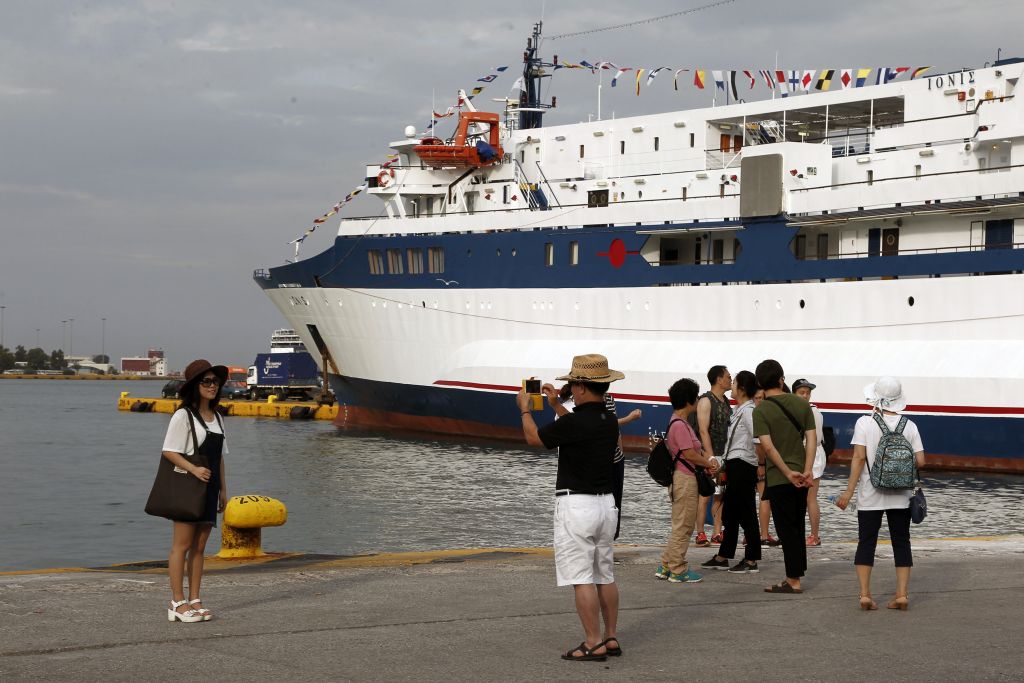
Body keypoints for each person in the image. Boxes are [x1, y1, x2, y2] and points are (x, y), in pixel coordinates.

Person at [518, 354, 624, 662]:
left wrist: (525, 410)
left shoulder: (577, 422)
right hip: (606, 505)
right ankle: (610, 637)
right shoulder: (607, 419)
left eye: (573, 384)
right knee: (604, 574)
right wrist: (554, 404)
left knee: (581, 577)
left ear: (579, 387)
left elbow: (534, 438)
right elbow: (575, 426)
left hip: (577, 505)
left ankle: (592, 642)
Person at [836, 377, 925, 611]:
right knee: (901, 542)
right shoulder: (910, 425)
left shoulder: (865, 423)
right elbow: (921, 461)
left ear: (876, 398)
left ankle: (865, 595)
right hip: (902, 495)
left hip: (870, 493)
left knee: (867, 542)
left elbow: (858, 458)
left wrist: (848, 491)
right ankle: (902, 595)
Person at [161, 359, 229, 622]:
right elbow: (168, 451)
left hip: (210, 487)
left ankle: (196, 599)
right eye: (207, 381)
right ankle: (177, 602)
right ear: (194, 386)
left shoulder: (219, 418)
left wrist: (223, 490)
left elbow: (220, 458)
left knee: (200, 547)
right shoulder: (183, 415)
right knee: (182, 545)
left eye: (215, 381)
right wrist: (193, 469)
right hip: (190, 487)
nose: (213, 386)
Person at [752, 359, 816, 594]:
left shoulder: (761, 411)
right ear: (782, 379)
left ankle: (793, 580)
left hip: (780, 477)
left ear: (760, 382)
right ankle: (797, 572)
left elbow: (768, 448)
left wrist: (787, 472)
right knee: (798, 525)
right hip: (803, 475)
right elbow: (811, 438)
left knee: (786, 528)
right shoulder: (801, 404)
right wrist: (807, 469)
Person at [551, 385, 641, 540]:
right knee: (609, 502)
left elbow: (609, 427)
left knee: (607, 503)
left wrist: (621, 453)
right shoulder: (576, 405)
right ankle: (606, 538)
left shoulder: (604, 400)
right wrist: (630, 419)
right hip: (602, 459)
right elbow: (602, 425)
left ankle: (606, 537)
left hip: (605, 458)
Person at [656, 378, 720, 584]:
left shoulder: (677, 422)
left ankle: (666, 564)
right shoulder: (680, 425)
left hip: (681, 477)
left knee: (679, 524)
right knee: (684, 526)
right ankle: (678, 569)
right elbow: (689, 454)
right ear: (690, 401)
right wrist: (709, 463)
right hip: (685, 479)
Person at [702, 370, 763, 573]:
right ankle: (724, 555)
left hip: (744, 463)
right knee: (731, 512)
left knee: (746, 511)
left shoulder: (748, 411)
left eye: (735, 382)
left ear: (742, 388)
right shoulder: (740, 410)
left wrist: (759, 464)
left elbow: (757, 438)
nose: (733, 385)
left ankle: (752, 558)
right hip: (735, 463)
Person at [690, 365, 732, 547]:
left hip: (724, 454)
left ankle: (717, 531)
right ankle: (700, 532)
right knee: (705, 495)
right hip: (709, 454)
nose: (731, 379)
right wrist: (709, 456)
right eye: (728, 377)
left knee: (721, 495)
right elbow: (703, 430)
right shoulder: (706, 401)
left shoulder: (725, 401)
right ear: (718, 379)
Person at [792, 379, 826, 547]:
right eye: (802, 392)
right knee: (800, 498)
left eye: (807, 393)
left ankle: (814, 535)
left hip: (813, 455)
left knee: (810, 498)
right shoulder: (796, 410)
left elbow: (816, 439)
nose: (805, 396)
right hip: (801, 455)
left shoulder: (812, 412)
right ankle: (801, 533)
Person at [752, 389, 779, 548]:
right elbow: (759, 444)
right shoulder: (759, 415)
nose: (760, 400)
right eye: (757, 398)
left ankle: (756, 533)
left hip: (752, 462)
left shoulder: (751, 413)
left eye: (762, 398)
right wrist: (761, 464)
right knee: (764, 498)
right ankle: (763, 534)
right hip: (760, 463)